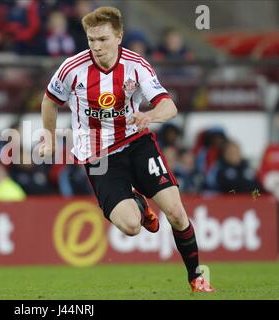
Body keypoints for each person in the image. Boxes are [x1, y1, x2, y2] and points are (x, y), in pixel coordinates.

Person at [39, 6, 214, 292]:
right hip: (98, 155)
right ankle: (140, 204)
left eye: (103, 39)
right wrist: (48, 138)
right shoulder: (72, 68)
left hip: (136, 143)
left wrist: (150, 116)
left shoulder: (136, 65)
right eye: (91, 40)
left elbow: (168, 106)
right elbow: (49, 101)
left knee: (177, 213)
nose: (96, 46)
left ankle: (196, 277)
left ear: (119, 36)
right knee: (132, 226)